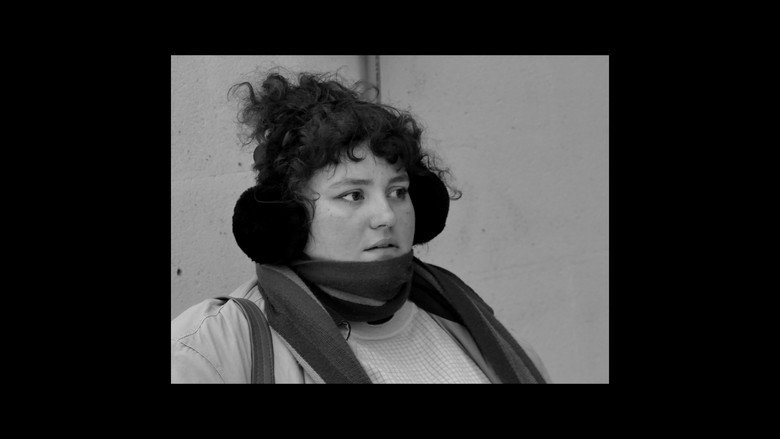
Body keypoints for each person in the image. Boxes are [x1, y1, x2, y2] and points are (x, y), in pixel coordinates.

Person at [170, 70, 551, 383]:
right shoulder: (211, 349)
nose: (386, 216)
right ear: (289, 217)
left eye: (398, 192)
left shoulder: (468, 320)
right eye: (353, 195)